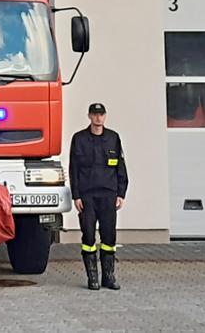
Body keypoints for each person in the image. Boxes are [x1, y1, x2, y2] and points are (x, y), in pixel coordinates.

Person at [68, 102, 127, 291]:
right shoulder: (79, 139)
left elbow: (120, 167)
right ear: (89, 116)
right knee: (88, 237)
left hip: (108, 195)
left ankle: (108, 277)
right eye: (94, 114)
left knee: (109, 237)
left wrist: (121, 193)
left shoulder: (113, 138)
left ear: (105, 116)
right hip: (87, 196)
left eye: (101, 115)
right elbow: (74, 169)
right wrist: (76, 195)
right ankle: (92, 277)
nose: (98, 118)